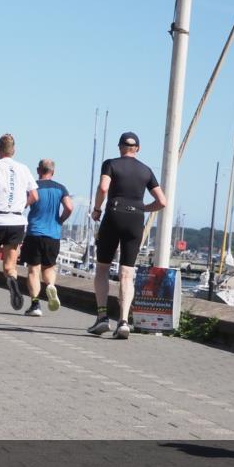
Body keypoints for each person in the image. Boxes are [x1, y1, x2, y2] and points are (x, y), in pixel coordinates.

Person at [88, 132, 166, 339]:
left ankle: (102, 317)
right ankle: (123, 321)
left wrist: (97, 208)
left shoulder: (111, 164)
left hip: (113, 215)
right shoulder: (146, 171)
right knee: (127, 273)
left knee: (103, 268)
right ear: (137, 149)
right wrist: (143, 208)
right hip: (135, 220)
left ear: (120, 146)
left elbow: (103, 188)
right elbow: (162, 201)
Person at [0, 134, 38, 324]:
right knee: (10, 265)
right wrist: (21, 205)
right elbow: (34, 195)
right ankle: (11, 278)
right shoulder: (24, 168)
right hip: (17, 221)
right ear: (14, 151)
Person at [21, 158, 73, 317]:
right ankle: (50, 285)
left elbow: (23, 204)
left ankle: (35, 304)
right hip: (53, 235)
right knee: (49, 267)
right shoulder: (61, 188)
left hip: (34, 233)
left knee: (33, 270)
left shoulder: (33, 187)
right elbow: (69, 207)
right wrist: (60, 220)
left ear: (38, 170)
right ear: (53, 172)